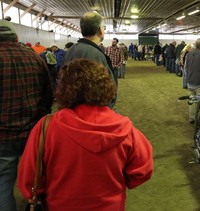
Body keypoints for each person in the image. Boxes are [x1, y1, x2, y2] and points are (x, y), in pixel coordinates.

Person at [18, 59, 154, 211]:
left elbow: (28, 180)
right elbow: (142, 171)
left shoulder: (47, 127)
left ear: (64, 88)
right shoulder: (125, 129)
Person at [0, 20, 53, 211]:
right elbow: (49, 94)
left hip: (3, 136)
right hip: (33, 132)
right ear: (16, 37)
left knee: (3, 185)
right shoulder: (34, 58)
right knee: (38, 175)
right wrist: (40, 120)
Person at [63, 11, 117, 107]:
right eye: (104, 28)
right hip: (92, 113)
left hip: (73, 109)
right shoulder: (94, 54)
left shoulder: (71, 50)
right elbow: (100, 90)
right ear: (100, 30)